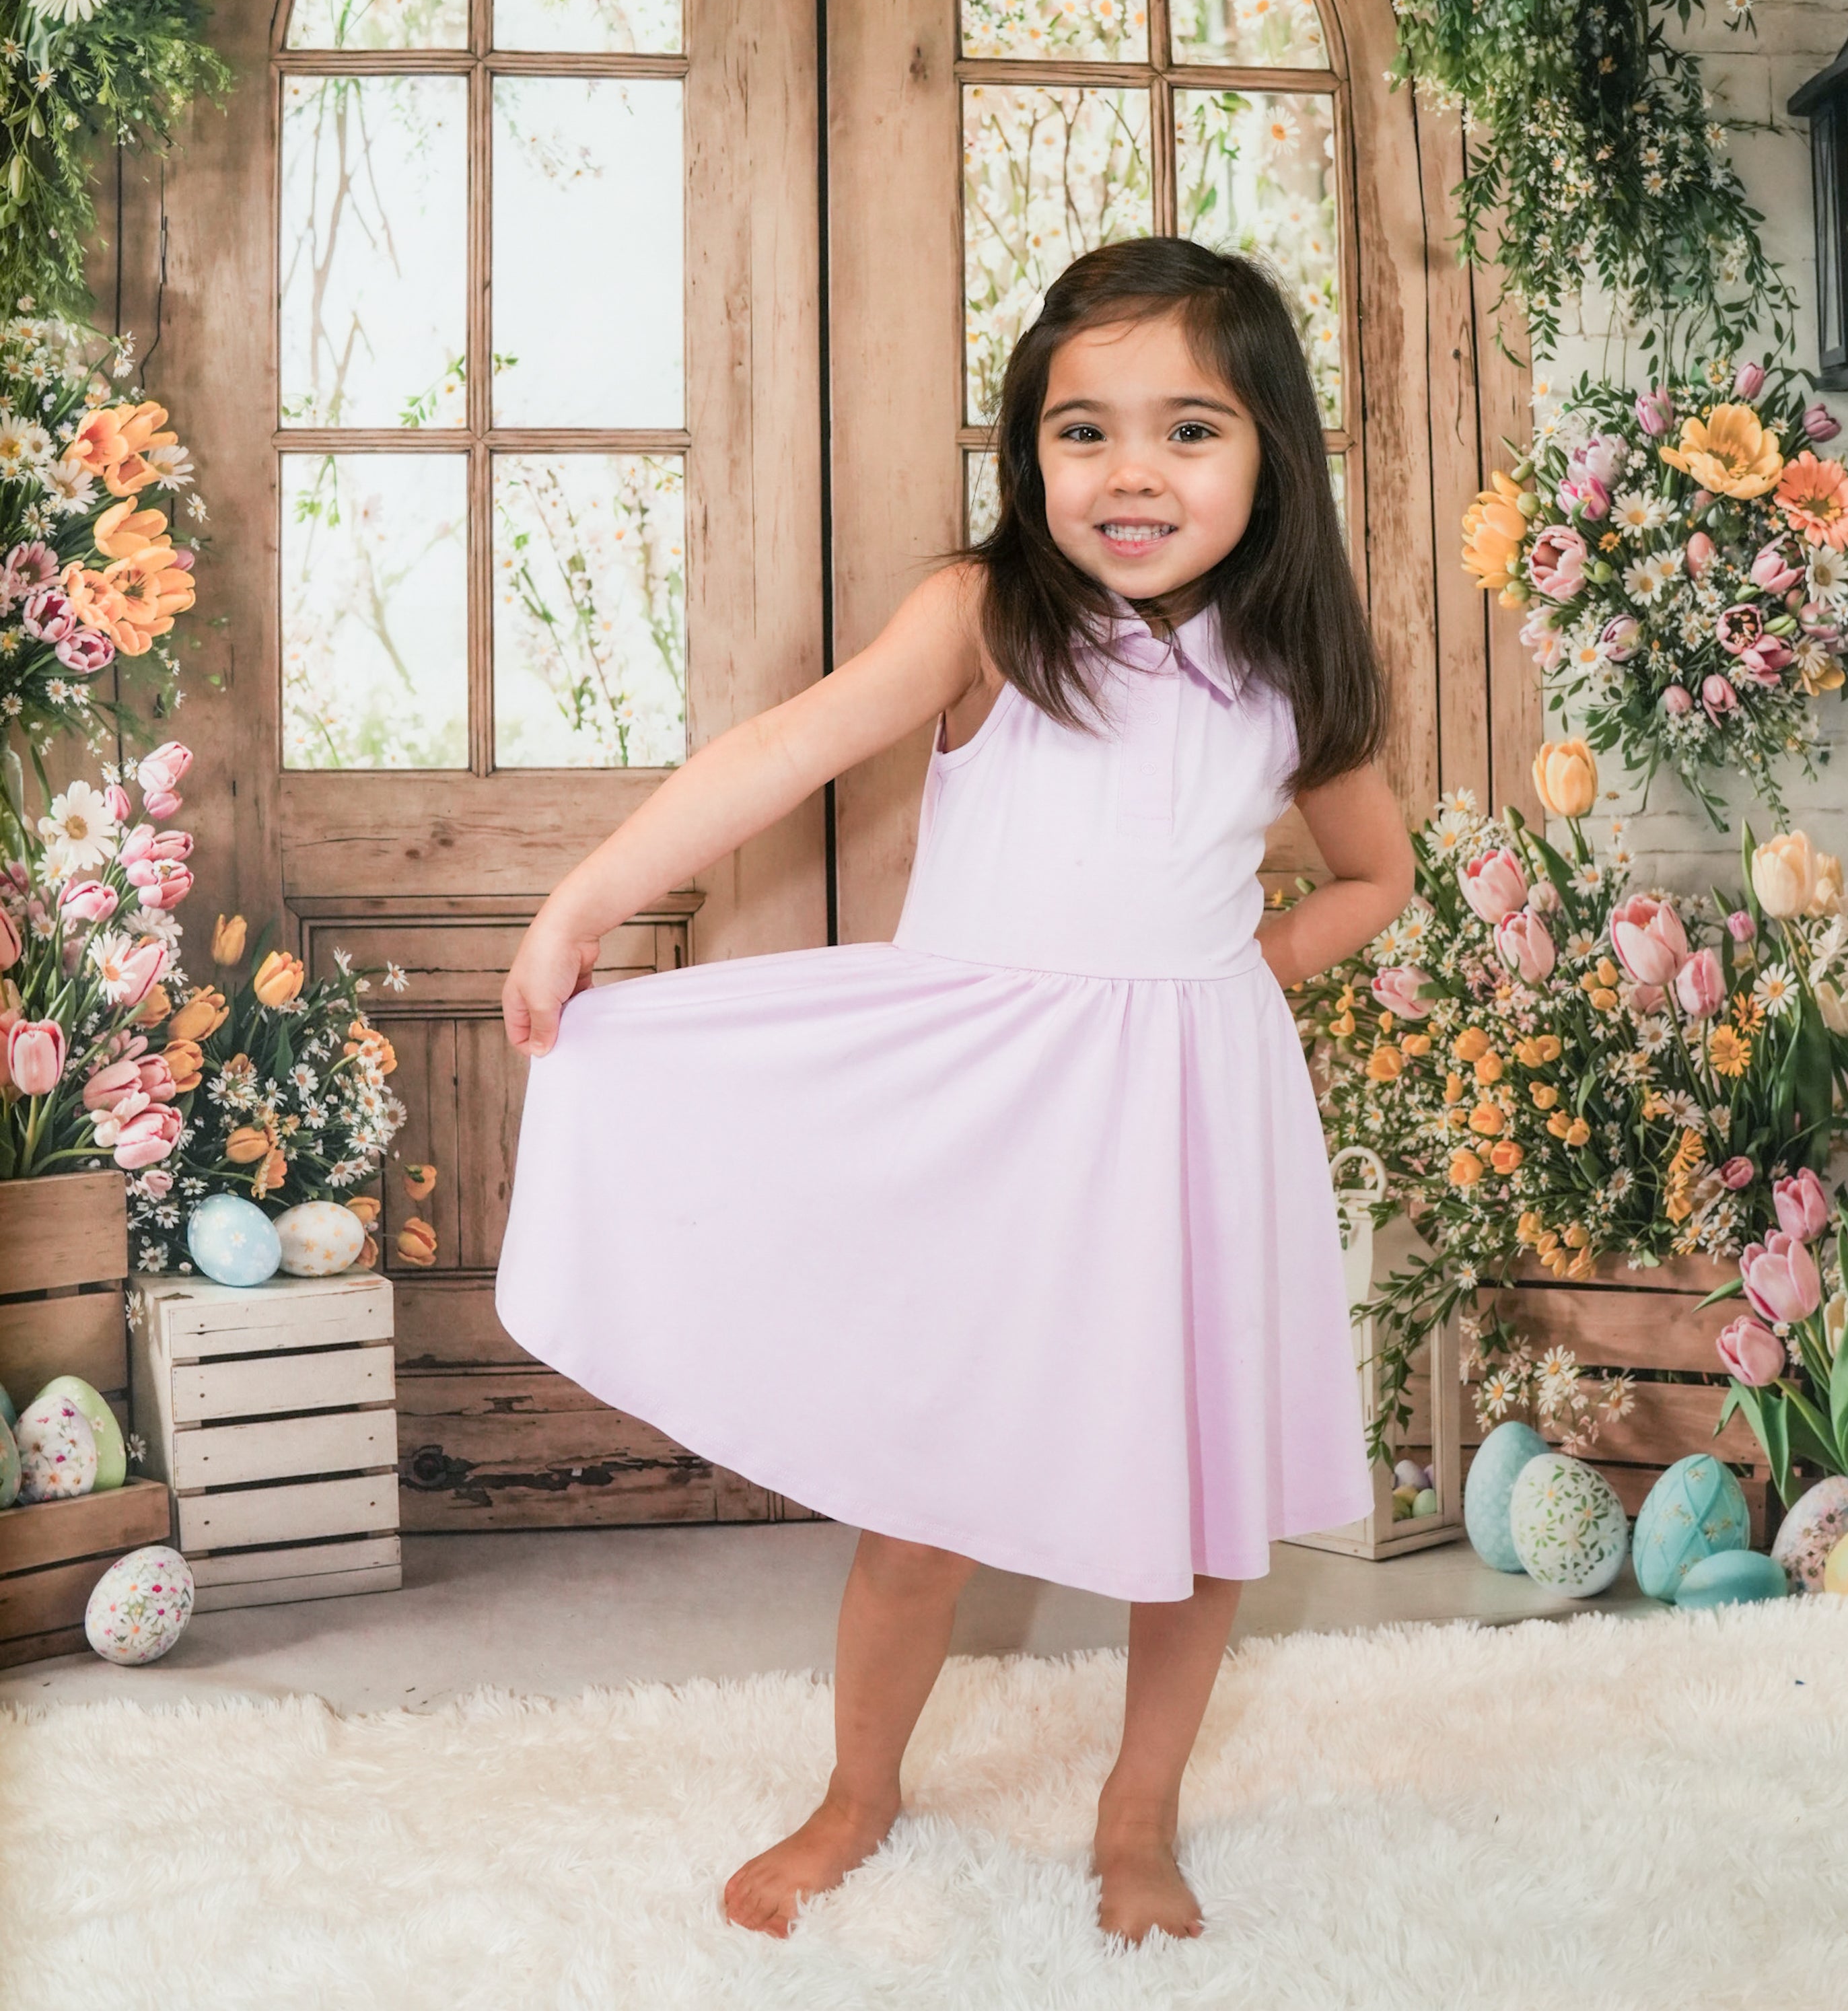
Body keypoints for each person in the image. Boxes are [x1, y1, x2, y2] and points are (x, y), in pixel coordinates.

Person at [493, 236, 1414, 1945]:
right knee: (930, 1497)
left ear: (1274, 449)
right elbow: (776, 755)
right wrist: (581, 904)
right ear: (1029, 455)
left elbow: (1377, 879)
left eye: (1191, 429)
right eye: (1086, 432)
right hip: (991, 1122)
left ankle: (1137, 1815)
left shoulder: (1296, 676)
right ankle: (860, 1793)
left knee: (1199, 1511)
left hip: (1190, 1134)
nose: (1133, 471)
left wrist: (1230, 978)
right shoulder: (986, 620)